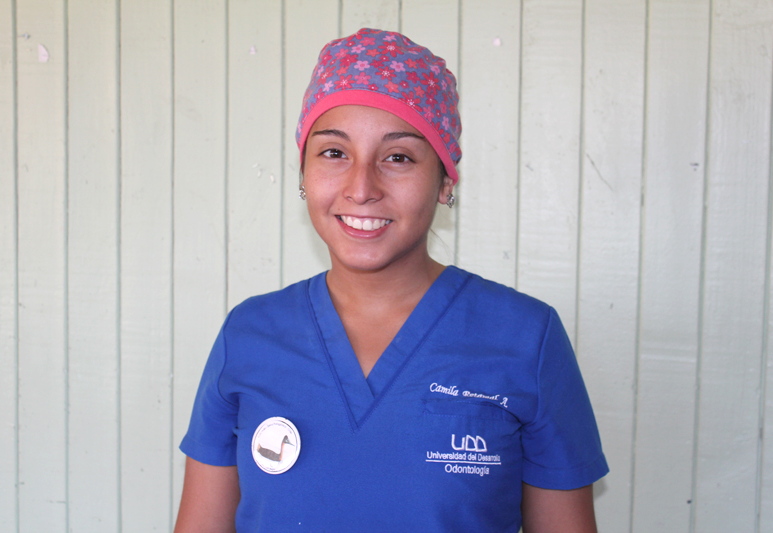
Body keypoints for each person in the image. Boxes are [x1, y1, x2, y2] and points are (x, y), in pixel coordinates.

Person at [174, 28, 608, 533]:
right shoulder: (249, 336)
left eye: (398, 157)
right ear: (303, 172)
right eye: (334, 153)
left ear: (445, 180)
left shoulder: (526, 339)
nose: (361, 188)